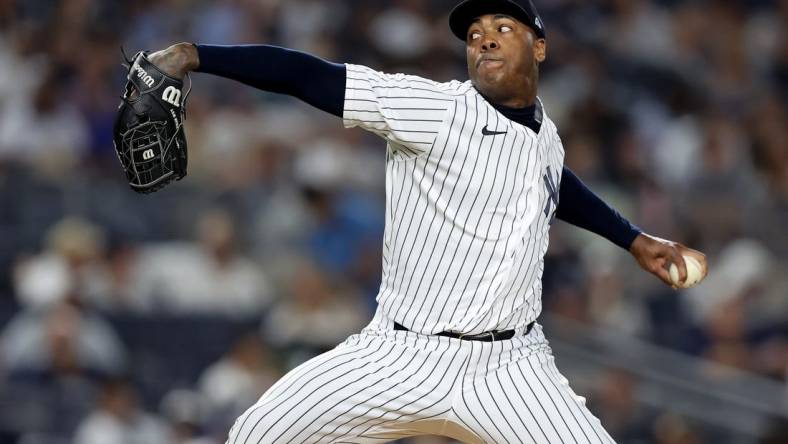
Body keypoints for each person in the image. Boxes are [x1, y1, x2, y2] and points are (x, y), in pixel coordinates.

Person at [142, 0, 708, 442]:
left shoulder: (545, 135)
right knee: (254, 435)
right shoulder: (438, 108)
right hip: (399, 355)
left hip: (511, 369)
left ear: (540, 47)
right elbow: (309, 76)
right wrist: (196, 55)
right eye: (474, 32)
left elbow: (558, 187)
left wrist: (632, 238)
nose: (483, 35)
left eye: (502, 27)